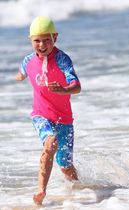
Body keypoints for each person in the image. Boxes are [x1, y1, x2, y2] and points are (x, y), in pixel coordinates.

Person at [15, 16, 81, 205]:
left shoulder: (62, 59)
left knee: (66, 167)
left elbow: (77, 86)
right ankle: (40, 191)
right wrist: (20, 76)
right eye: (37, 40)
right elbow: (24, 70)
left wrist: (65, 89)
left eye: (47, 40)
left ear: (55, 38)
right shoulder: (28, 60)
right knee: (49, 144)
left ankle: (79, 190)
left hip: (64, 120)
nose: (42, 45)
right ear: (30, 40)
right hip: (40, 115)